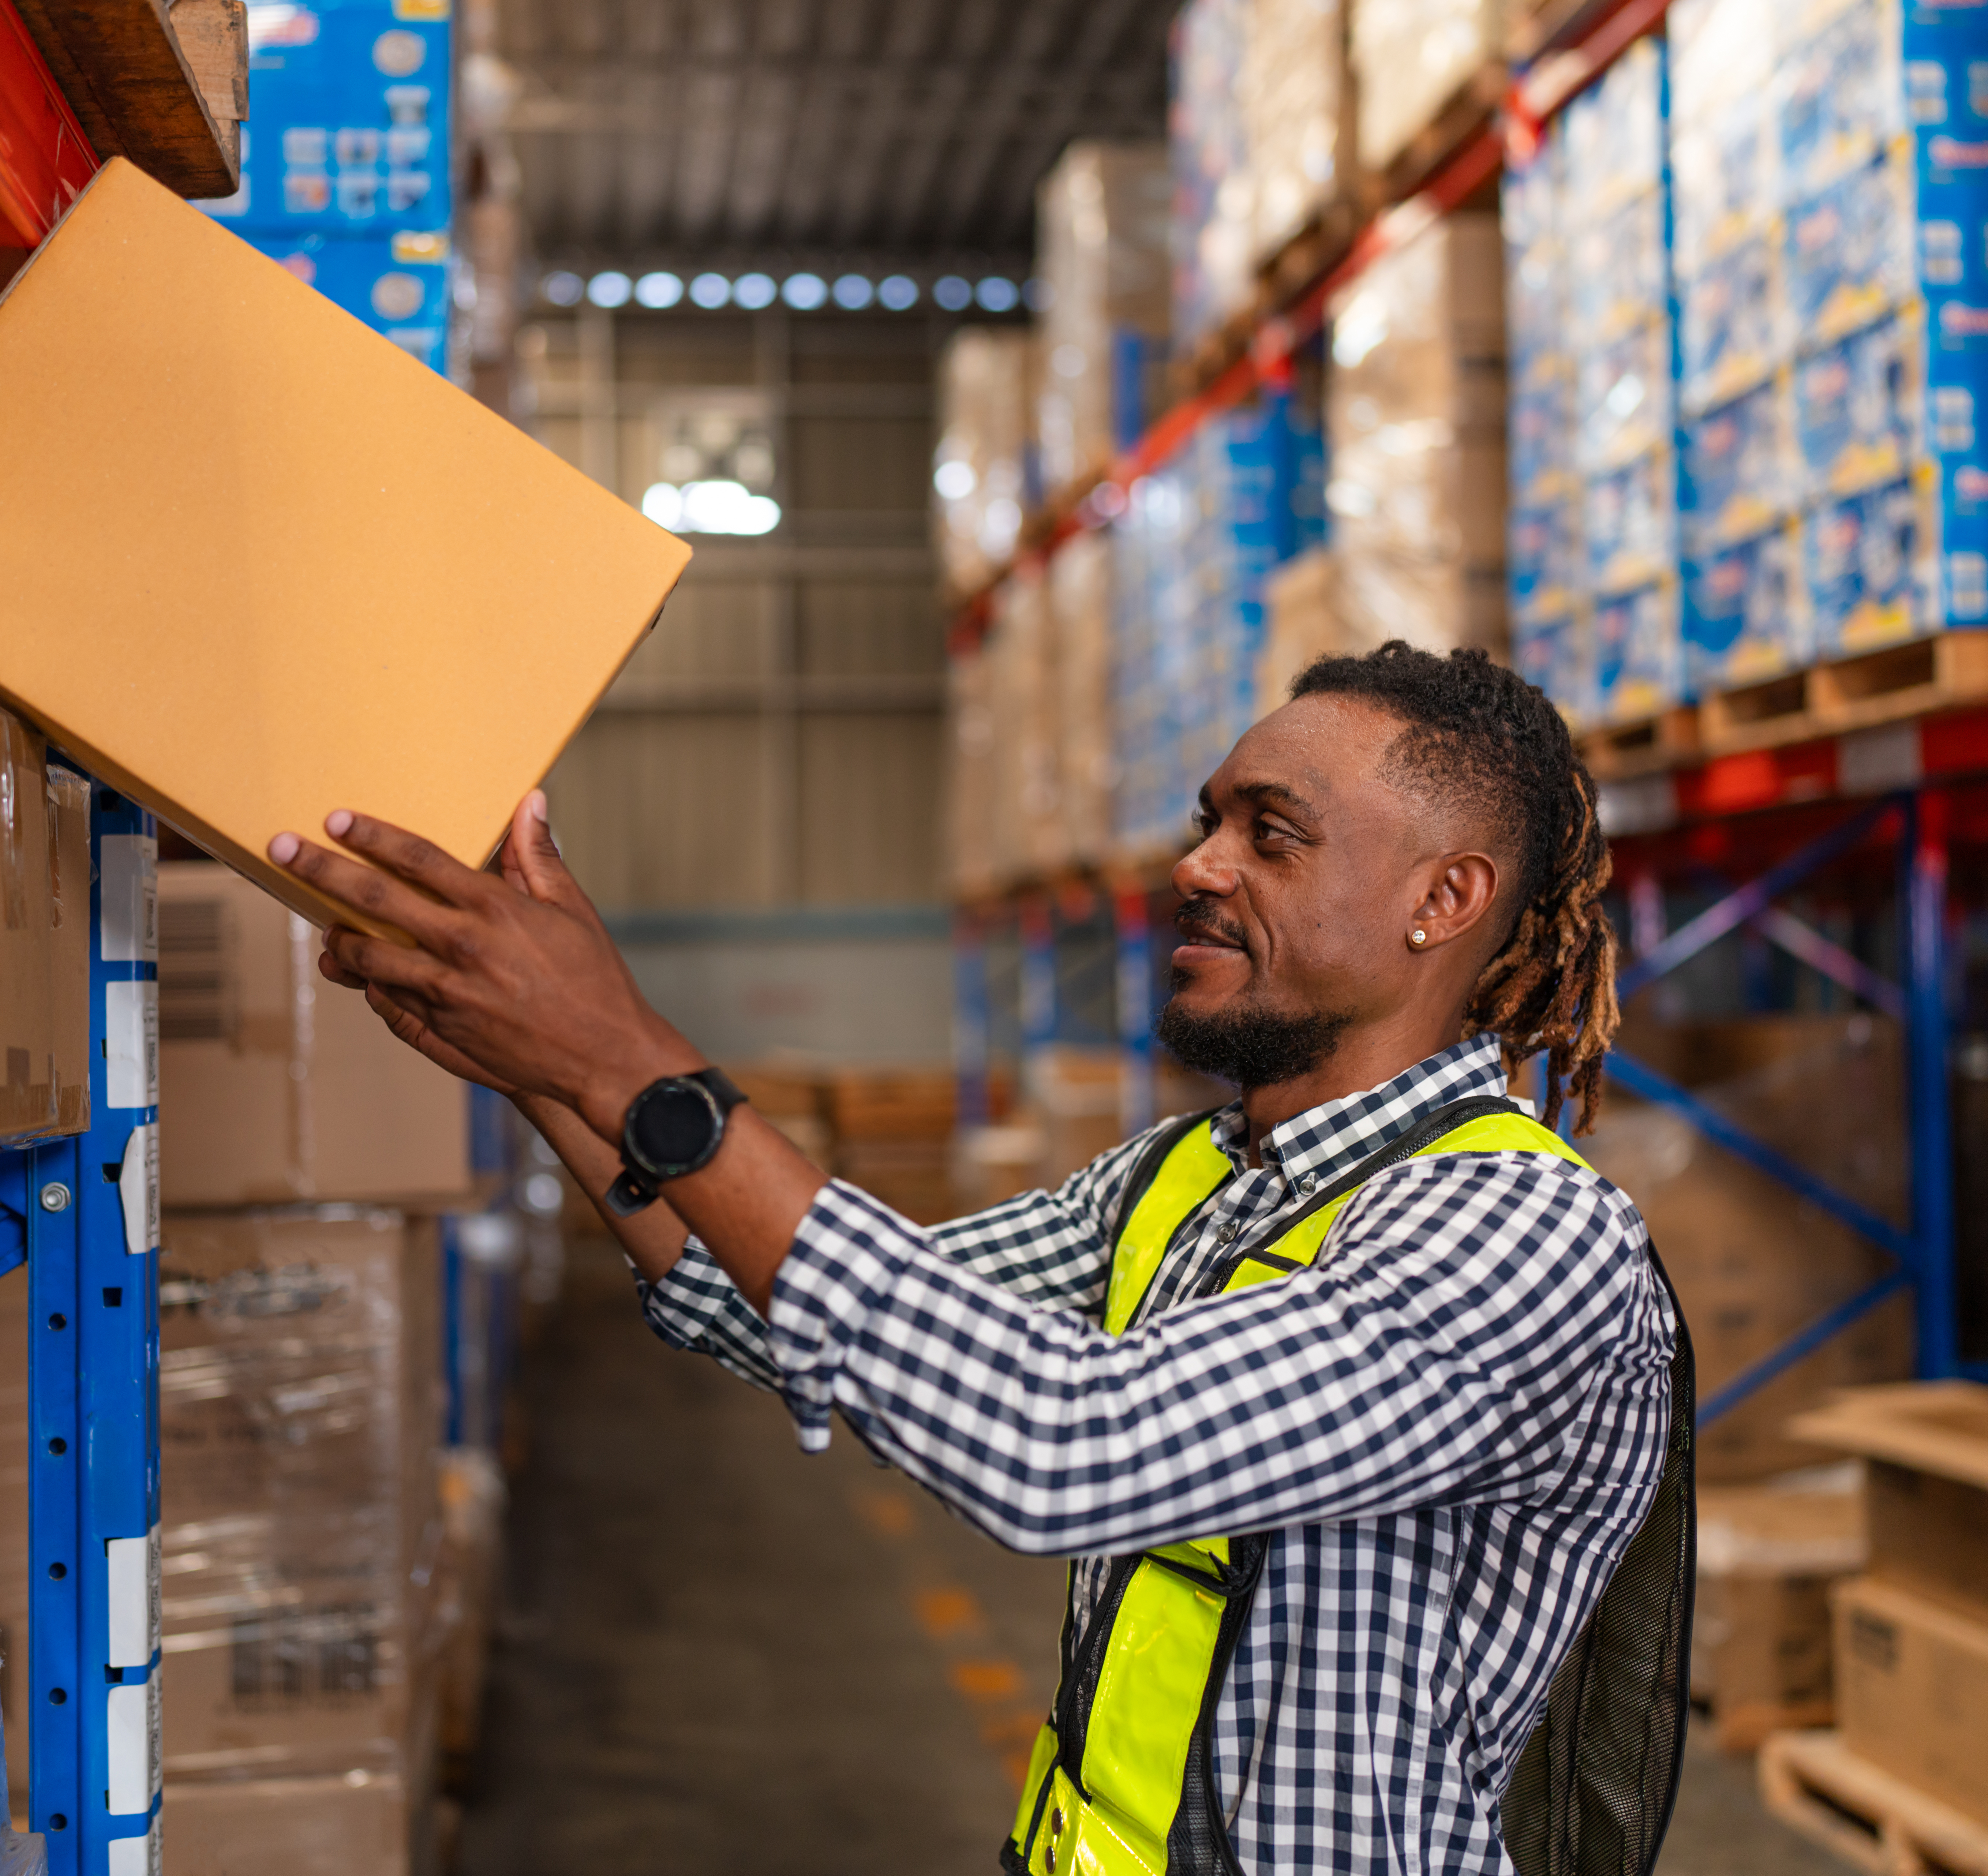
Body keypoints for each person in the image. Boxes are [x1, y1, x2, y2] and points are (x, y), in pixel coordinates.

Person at [265, 640, 1687, 1876]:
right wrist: (537, 1061)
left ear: (1441, 900)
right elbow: (768, 1299)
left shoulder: (1517, 1233)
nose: (1193, 866)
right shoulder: (1185, 1181)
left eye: (1271, 834)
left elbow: (1058, 1441)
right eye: (1206, 823)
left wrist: (624, 1051)